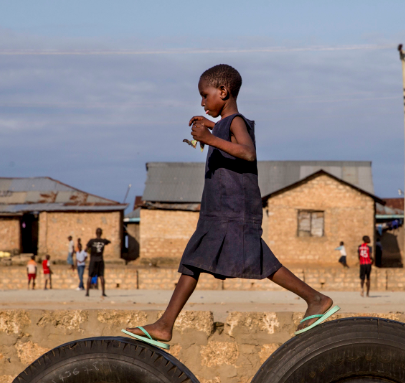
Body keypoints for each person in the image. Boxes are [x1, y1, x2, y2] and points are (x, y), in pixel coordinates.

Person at [122, 65, 337, 349]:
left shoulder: (237, 121)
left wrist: (210, 138)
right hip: (219, 210)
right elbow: (228, 137)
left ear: (223, 91)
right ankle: (164, 325)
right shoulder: (225, 123)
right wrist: (211, 126)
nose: (201, 102)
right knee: (193, 260)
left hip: (235, 209)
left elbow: (247, 152)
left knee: (258, 260)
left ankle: (316, 299)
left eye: (204, 95)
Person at [85, 228, 111, 297]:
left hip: (93, 260)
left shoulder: (91, 241)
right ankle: (103, 293)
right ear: (101, 233)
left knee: (90, 276)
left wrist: (90, 250)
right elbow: (109, 241)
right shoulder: (103, 241)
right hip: (100, 260)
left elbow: (86, 249)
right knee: (101, 276)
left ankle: (87, 293)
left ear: (95, 233)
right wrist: (104, 240)